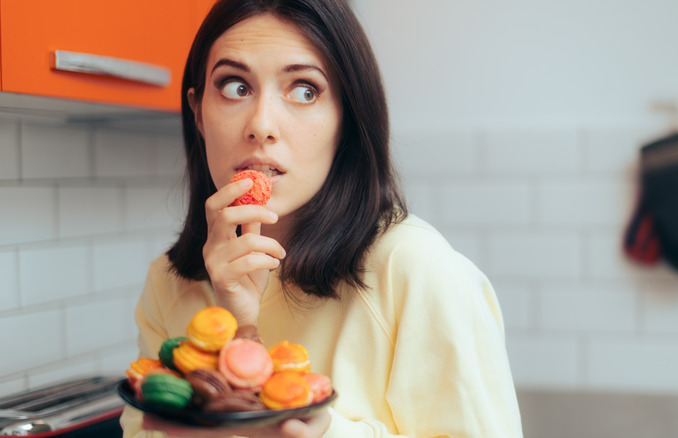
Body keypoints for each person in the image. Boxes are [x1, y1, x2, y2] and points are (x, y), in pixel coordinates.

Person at [119, 0, 523, 436]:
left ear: (346, 117)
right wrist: (240, 329)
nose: (261, 125)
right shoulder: (167, 283)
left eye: (304, 90)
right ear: (198, 112)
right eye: (235, 86)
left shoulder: (417, 271)